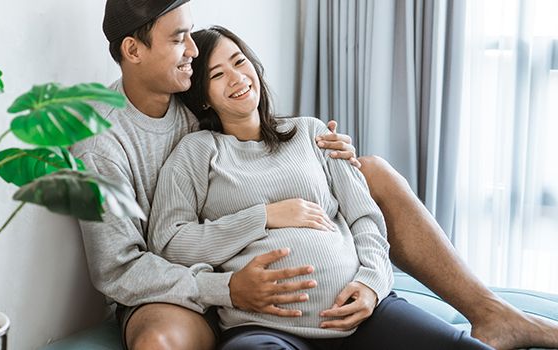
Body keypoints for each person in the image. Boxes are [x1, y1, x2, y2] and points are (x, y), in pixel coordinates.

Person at [70, 0, 558, 349]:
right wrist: (227, 288)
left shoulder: (189, 88)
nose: (195, 53)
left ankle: (492, 314)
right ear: (133, 51)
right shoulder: (106, 141)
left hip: (300, 284)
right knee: (161, 340)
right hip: (184, 287)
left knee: (372, 170)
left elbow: (260, 129)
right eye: (179, 40)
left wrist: (331, 155)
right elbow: (122, 267)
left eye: (191, 36)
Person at [148, 25, 492, 350]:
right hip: (264, 327)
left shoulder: (311, 133)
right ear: (203, 98)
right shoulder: (197, 152)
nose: (237, 77)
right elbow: (169, 242)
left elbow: (365, 218)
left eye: (239, 61)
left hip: (362, 316)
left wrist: (372, 284)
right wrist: (264, 216)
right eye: (217, 74)